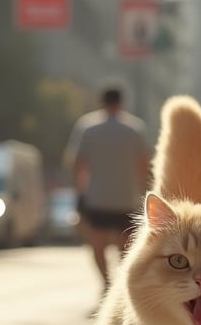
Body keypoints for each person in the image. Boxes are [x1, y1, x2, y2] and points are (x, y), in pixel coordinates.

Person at [64, 85, 151, 309]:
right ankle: (122, 289)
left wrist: (79, 191)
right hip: (127, 199)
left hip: (97, 198)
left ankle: (106, 283)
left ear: (101, 102)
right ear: (121, 102)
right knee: (126, 249)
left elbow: (77, 163)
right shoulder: (135, 129)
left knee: (97, 246)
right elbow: (144, 165)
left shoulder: (88, 127)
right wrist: (142, 194)